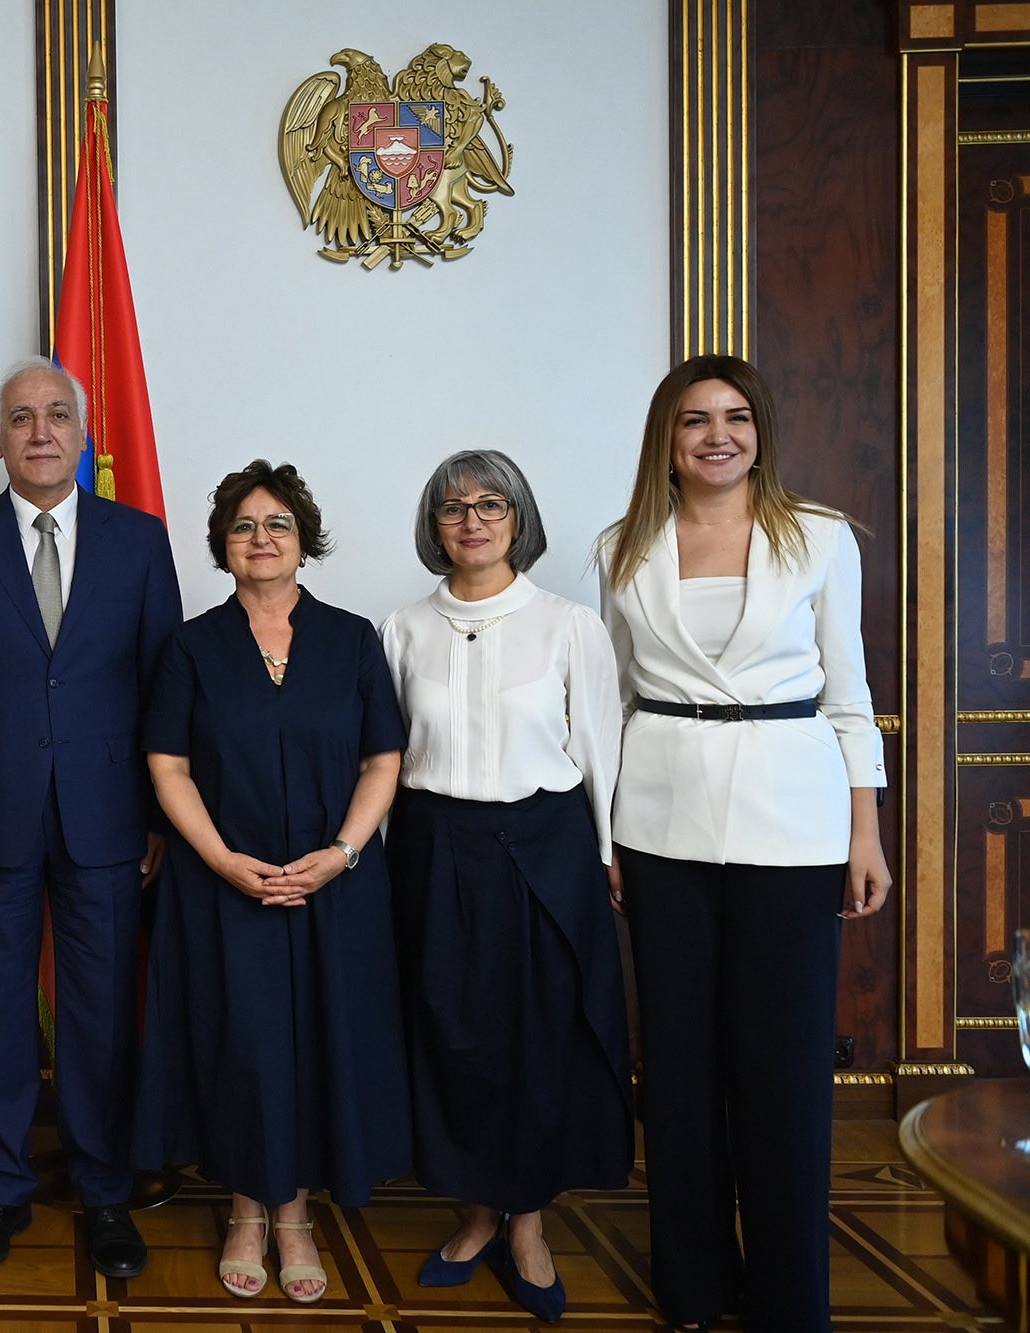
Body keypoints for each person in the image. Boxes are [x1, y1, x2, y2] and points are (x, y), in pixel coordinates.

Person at [597, 355, 890, 1333]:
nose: (714, 434)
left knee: (782, 1068)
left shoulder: (817, 539)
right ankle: (688, 1284)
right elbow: (606, 703)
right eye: (692, 420)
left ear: (759, 431)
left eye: (733, 417)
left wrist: (864, 832)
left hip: (792, 821)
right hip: (657, 823)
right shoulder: (620, 545)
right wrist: (602, 835)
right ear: (665, 441)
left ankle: (784, 1298)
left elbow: (847, 697)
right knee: (676, 1068)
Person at [0, 357, 181, 1278]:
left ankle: (105, 1191)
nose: (41, 431)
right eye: (21, 418)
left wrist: (157, 818)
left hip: (109, 819)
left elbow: (161, 694)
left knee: (102, 1013)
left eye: (58, 414)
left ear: (83, 430)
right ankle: (2, 1190)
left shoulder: (139, 541)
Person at [131, 459, 409, 1304]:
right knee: (243, 1046)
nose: (261, 538)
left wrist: (344, 853)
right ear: (223, 543)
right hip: (223, 882)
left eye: (277, 524)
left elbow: (383, 757)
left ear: (304, 540)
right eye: (244, 525)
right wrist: (220, 859)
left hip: (334, 884)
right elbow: (167, 763)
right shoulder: (191, 645)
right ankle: (247, 1210)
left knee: (319, 1041)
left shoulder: (354, 638)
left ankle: (297, 1216)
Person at [379, 449, 631, 1323]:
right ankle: (475, 1211)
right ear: (433, 527)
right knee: (451, 1029)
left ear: (518, 518)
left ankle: (527, 1221)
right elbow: (387, 758)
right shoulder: (403, 627)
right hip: (433, 843)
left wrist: (608, 852)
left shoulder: (568, 624)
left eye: (491, 504)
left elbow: (600, 745)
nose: (473, 521)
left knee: (537, 1034)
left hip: (545, 843)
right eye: (454, 508)